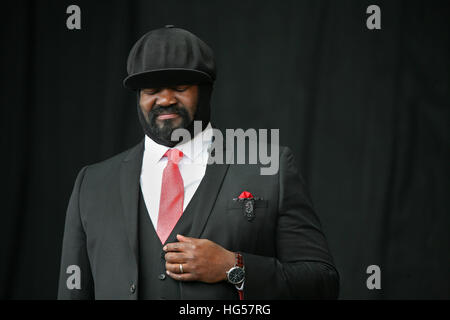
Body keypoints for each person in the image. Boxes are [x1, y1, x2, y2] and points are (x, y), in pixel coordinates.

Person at [57, 25, 339, 300]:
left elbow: (322, 283)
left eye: (180, 86)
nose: (165, 99)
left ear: (207, 90)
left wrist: (235, 267)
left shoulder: (269, 168)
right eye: (151, 89)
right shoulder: (91, 184)